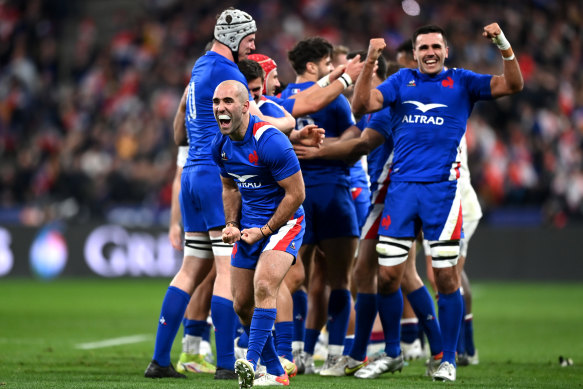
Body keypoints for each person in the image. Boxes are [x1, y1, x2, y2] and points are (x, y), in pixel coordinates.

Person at [352, 23, 523, 381]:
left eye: (435, 46)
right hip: (400, 193)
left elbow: (513, 85)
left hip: (442, 194)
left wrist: (503, 45)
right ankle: (394, 353)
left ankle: (445, 358)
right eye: (423, 47)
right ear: (413, 54)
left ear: (446, 51)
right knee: (387, 278)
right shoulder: (401, 82)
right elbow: (362, 104)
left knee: (446, 279)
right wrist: (370, 61)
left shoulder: (463, 81)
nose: (429, 52)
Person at [144, 8, 303, 380]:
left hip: (191, 174)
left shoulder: (199, 68)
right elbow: (254, 122)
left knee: (189, 268)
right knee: (225, 271)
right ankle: (226, 365)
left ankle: (160, 360)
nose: (252, 46)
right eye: (249, 39)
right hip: (218, 174)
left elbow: (180, 125)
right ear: (234, 38)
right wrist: (288, 125)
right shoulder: (230, 76)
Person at [210, 80, 306, 388]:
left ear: (244, 106)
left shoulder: (270, 140)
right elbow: (229, 187)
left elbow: (297, 194)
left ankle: (251, 365)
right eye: (215, 102)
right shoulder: (221, 146)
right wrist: (231, 225)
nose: (220, 108)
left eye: (227, 101)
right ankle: (277, 370)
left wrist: (265, 230)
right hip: (250, 227)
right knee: (242, 305)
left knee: (265, 284)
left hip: (284, 223)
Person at [280, 37, 359, 374]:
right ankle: (336, 356)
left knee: (297, 277)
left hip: (294, 198)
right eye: (328, 64)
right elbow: (356, 140)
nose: (331, 70)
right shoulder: (336, 100)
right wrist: (328, 149)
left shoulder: (279, 102)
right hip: (334, 195)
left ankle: (296, 353)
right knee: (340, 281)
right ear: (313, 66)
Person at [169, 87, 216, 374]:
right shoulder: (201, 123)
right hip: (210, 197)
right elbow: (179, 174)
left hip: (205, 193)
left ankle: (197, 344)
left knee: (206, 275)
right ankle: (195, 345)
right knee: (208, 275)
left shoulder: (200, 117)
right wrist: (174, 222)